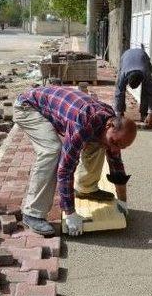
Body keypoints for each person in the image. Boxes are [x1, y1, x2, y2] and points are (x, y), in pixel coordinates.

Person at [13, 86, 137, 237]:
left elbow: (116, 162)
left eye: (120, 146)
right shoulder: (84, 121)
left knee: (101, 143)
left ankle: (86, 189)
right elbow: (65, 170)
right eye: (114, 141)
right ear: (109, 125)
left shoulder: (110, 126)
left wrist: (122, 201)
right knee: (52, 150)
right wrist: (70, 212)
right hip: (28, 107)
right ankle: (32, 213)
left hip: (56, 107)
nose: (114, 147)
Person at [114, 46, 152, 127]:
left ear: (141, 80)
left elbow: (151, 93)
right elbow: (118, 93)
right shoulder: (123, 75)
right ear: (127, 80)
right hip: (126, 56)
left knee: (147, 89)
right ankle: (120, 112)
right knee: (120, 89)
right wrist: (118, 115)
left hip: (143, 57)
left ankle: (144, 114)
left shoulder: (146, 75)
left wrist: (151, 113)